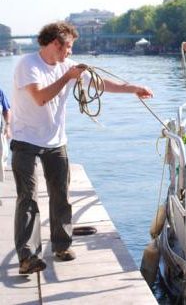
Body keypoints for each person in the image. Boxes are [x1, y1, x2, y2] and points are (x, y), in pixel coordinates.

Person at [11, 22, 153, 274]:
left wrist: (134, 89)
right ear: (56, 43)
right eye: (69, 47)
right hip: (25, 141)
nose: (70, 52)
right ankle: (27, 256)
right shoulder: (28, 65)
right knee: (28, 198)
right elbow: (40, 98)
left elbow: (101, 85)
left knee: (61, 195)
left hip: (55, 141)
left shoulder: (68, 66)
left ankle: (61, 246)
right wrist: (67, 77)